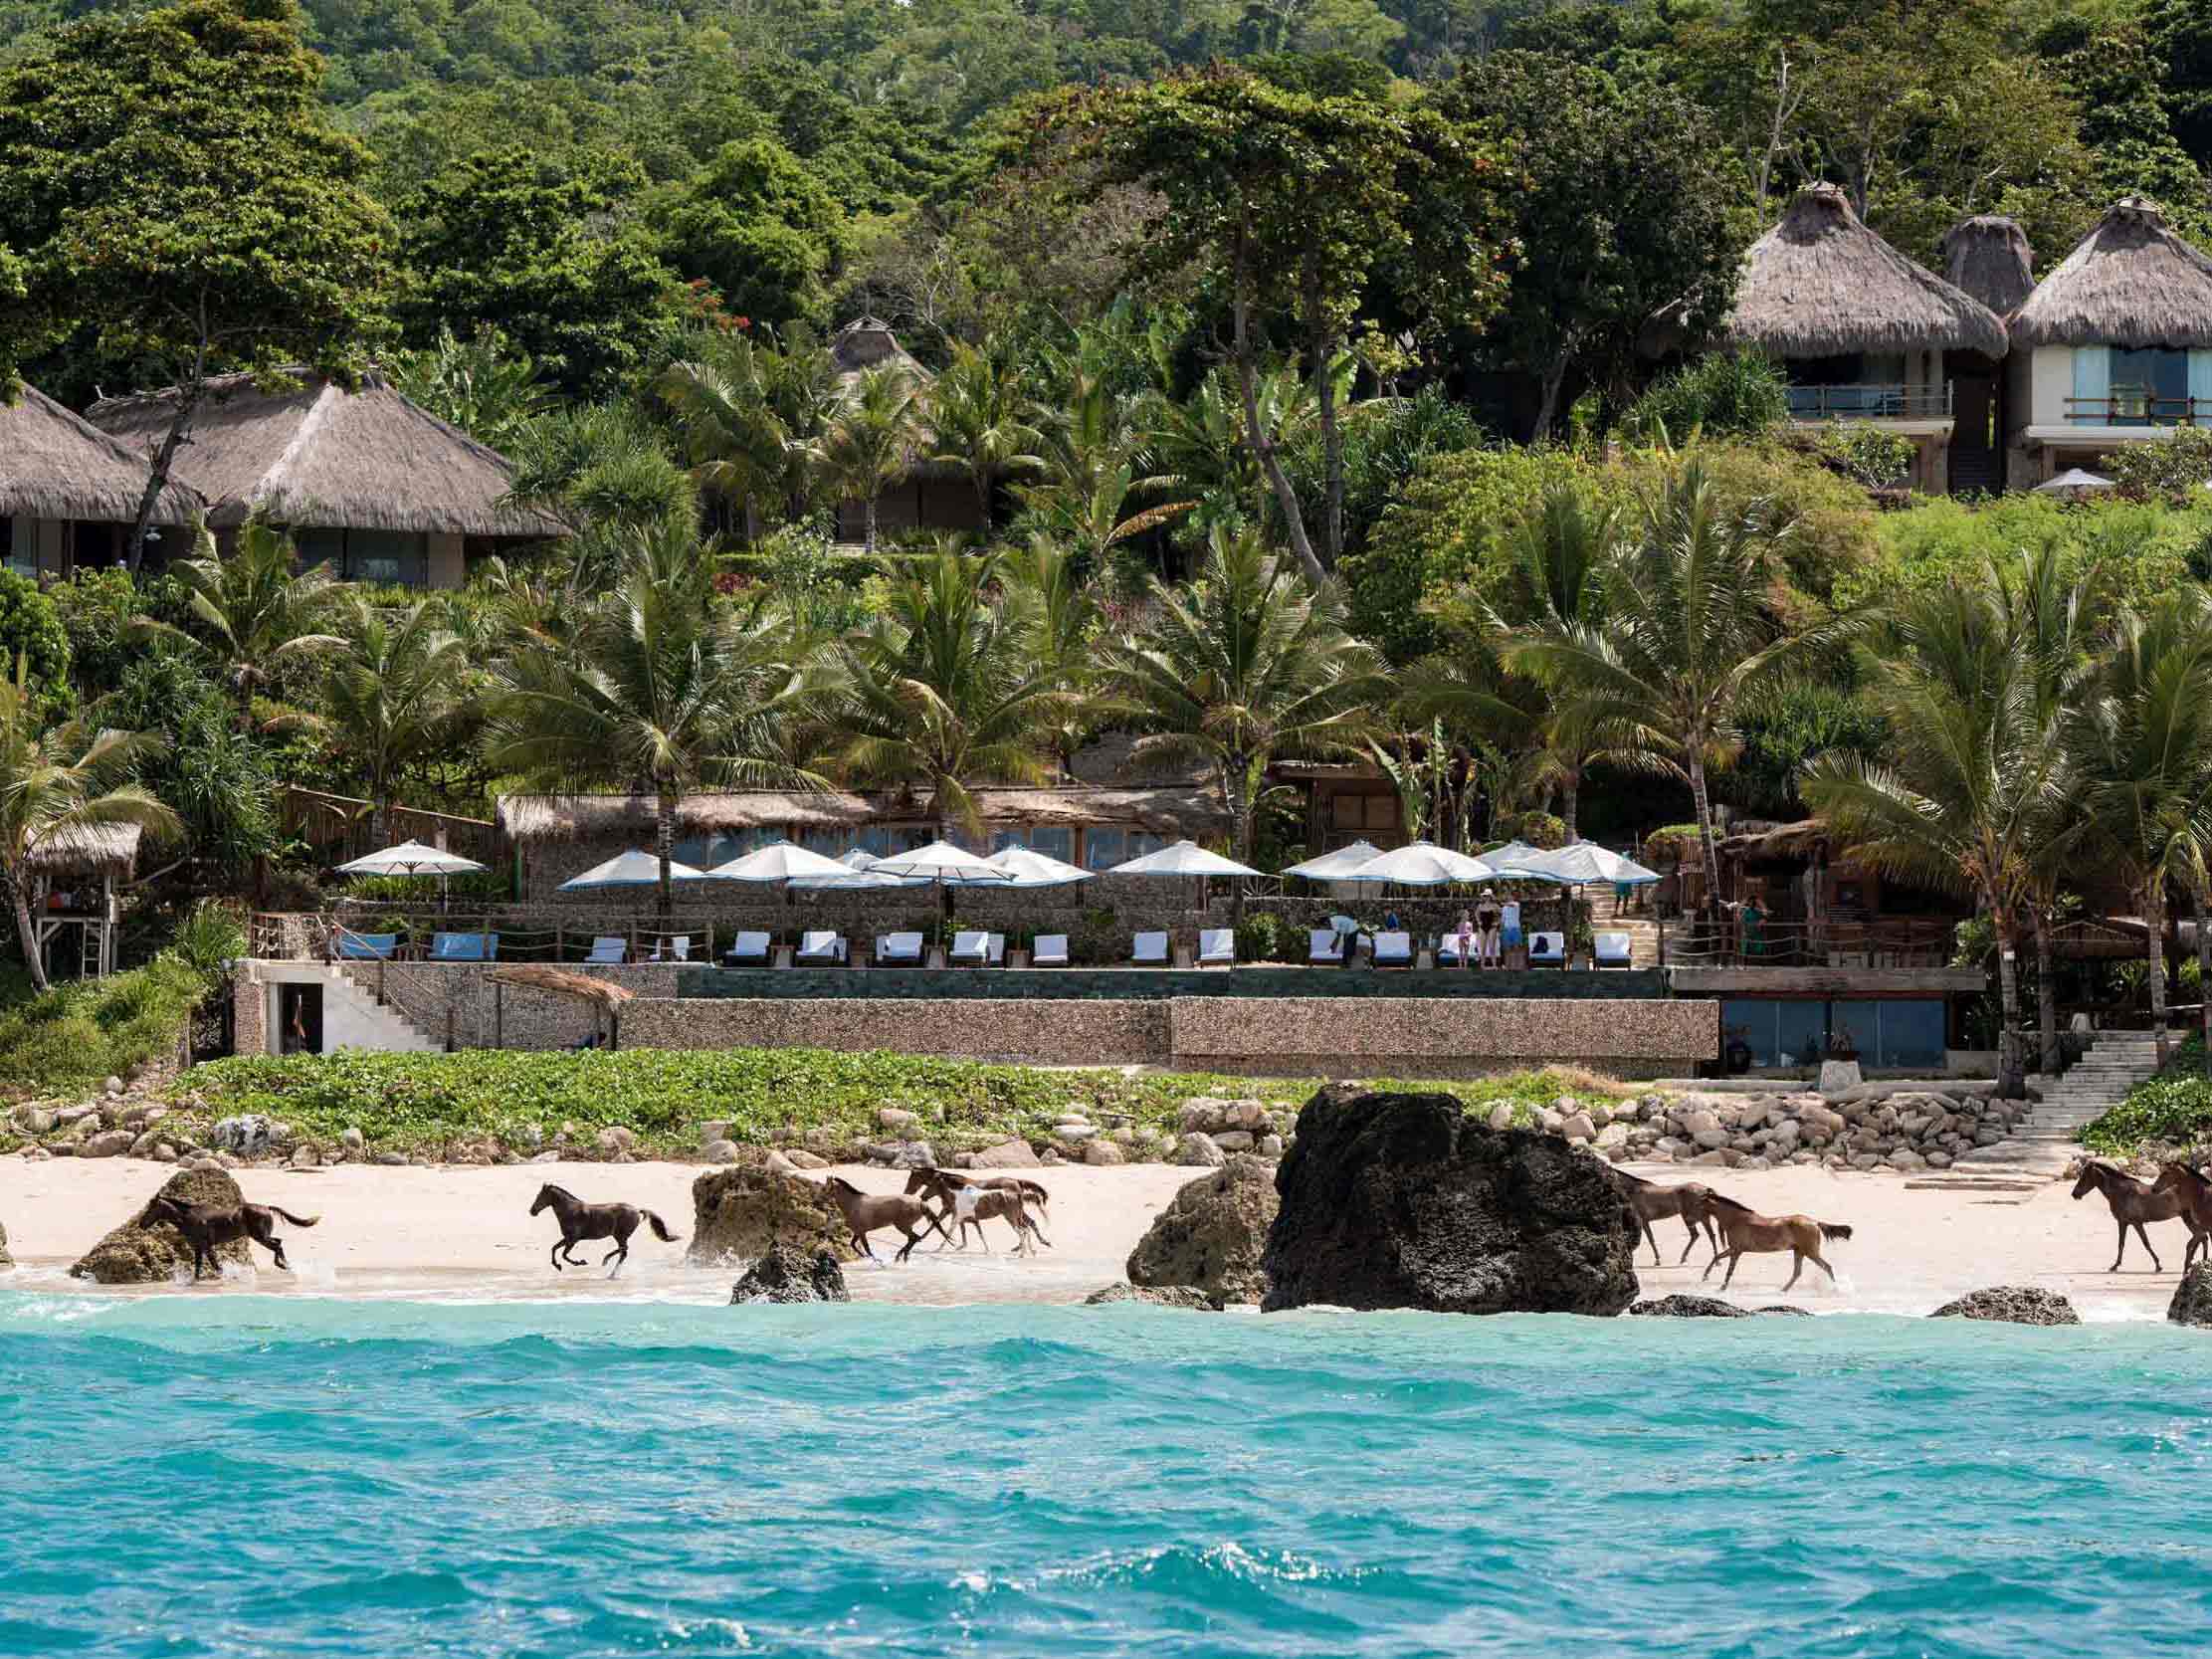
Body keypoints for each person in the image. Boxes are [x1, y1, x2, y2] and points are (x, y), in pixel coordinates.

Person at [1476, 888, 1503, 969]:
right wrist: (1478, 921)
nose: (1486, 897)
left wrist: (1497, 922)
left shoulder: (1495, 905)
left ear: (1490, 896)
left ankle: (1494, 965)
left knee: (1491, 947)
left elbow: (1502, 914)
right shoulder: (1480, 905)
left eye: (1487, 896)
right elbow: (1476, 914)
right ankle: (1482, 965)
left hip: (1492, 927)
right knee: (1483, 947)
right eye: (1485, 896)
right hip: (1482, 927)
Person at [1499, 895, 1522, 966]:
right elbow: (1502, 920)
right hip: (1506, 929)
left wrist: (1503, 904)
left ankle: (1517, 964)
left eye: (1510, 897)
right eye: (1507, 898)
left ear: (1513, 898)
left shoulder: (1516, 904)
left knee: (1516, 947)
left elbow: (1512, 905)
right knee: (1507, 948)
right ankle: (1508, 964)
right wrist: (1501, 929)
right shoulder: (1504, 908)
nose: (1509, 898)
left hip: (1516, 928)